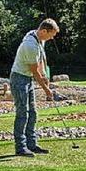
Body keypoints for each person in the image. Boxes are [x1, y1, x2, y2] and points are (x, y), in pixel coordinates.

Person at [10, 18, 59, 157]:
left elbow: (40, 61)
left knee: (33, 112)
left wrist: (45, 75)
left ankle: (32, 144)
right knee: (22, 113)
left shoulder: (39, 38)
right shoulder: (30, 45)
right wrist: (46, 90)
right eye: (51, 34)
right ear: (44, 31)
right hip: (19, 79)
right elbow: (34, 71)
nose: (52, 37)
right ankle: (21, 147)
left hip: (27, 79)